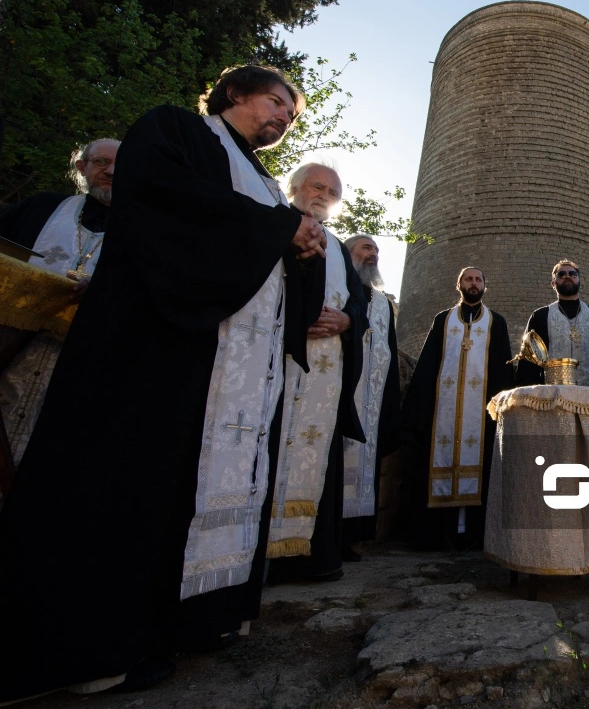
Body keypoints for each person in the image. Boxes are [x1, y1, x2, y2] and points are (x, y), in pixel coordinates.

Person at [0, 64, 327, 701]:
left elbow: (271, 260)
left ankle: (186, 623)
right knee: (113, 489)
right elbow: (164, 202)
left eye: (291, 116)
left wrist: (301, 249)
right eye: (277, 104)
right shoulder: (174, 131)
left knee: (178, 496)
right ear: (236, 93)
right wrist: (277, 229)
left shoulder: (261, 181)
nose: (284, 120)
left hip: (219, 377)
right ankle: (77, 655)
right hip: (154, 350)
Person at [265, 164, 366, 582]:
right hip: (277, 369)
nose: (324, 194)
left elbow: (358, 304)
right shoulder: (271, 223)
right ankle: (260, 562)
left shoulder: (340, 248)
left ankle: (312, 560)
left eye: (332, 190)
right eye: (316, 185)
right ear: (295, 188)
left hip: (324, 376)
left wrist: (346, 322)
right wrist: (295, 319)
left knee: (317, 455)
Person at [0, 138, 118, 491]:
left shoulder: (143, 233)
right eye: (100, 162)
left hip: (80, 372)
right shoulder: (39, 208)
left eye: (122, 165)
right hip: (10, 354)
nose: (111, 171)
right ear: (82, 168)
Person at [397, 267, 513, 548]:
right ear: (458, 284)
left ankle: (474, 536)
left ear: (485, 285)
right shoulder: (443, 320)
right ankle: (435, 535)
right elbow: (426, 367)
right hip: (442, 414)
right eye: (468, 279)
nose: (473, 284)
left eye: (478, 279)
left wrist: (504, 409)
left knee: (481, 467)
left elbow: (502, 369)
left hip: (481, 416)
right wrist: (416, 411)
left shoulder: (496, 322)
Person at [341, 234, 404, 550]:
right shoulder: (335, 285)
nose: (373, 254)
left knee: (364, 464)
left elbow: (390, 354)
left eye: (377, 250)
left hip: (372, 399)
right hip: (338, 390)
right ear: (348, 252)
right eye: (367, 248)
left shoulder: (383, 303)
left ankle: (351, 539)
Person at [514, 259, 589, 392]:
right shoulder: (540, 317)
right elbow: (529, 362)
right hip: (551, 398)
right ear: (553, 283)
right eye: (561, 274)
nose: (568, 276)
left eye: (573, 274)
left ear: (579, 281)